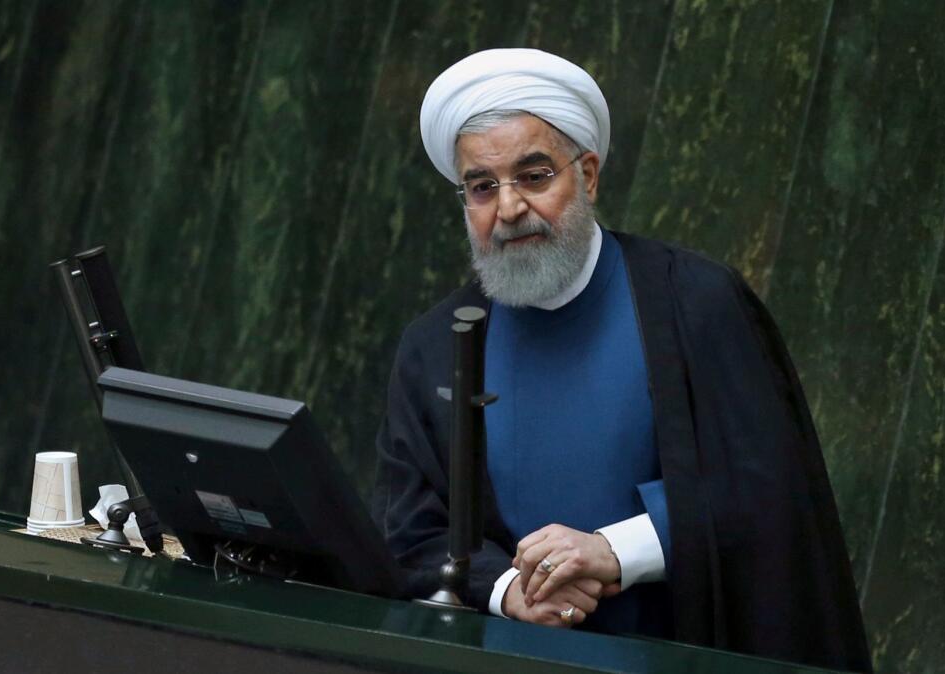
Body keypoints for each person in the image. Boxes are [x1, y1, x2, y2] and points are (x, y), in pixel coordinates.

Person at [372, 48, 872, 673]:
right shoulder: (435, 345)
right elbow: (411, 531)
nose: (508, 209)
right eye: (482, 187)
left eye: (534, 176)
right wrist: (508, 590)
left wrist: (615, 549)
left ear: (588, 174)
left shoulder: (696, 303)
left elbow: (771, 489)